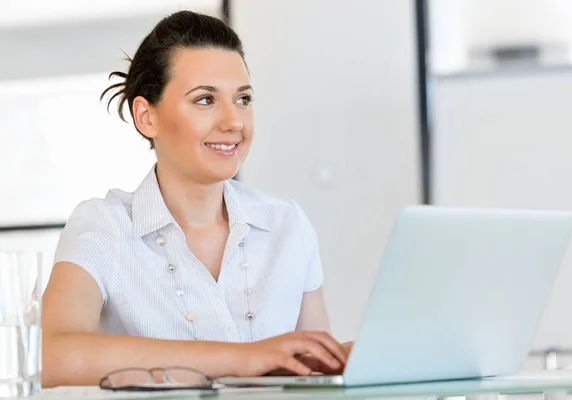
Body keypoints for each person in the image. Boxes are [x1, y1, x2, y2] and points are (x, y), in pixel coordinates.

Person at [41, 10, 350, 388]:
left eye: (243, 99)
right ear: (146, 117)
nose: (233, 121)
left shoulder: (287, 224)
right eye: (205, 100)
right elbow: (55, 358)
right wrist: (244, 358)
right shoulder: (103, 226)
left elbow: (317, 377)